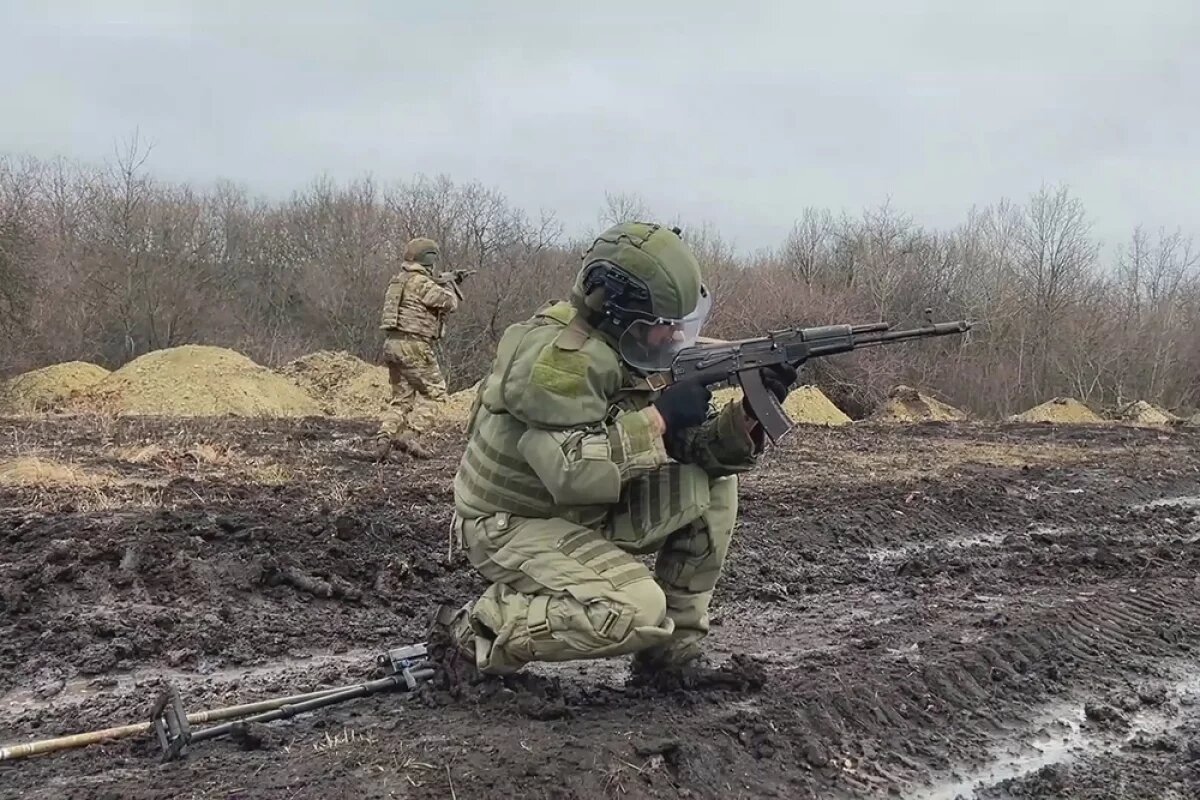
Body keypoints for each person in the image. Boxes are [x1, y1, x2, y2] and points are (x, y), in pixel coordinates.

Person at [430, 221, 796, 682]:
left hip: (579, 511)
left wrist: (748, 415)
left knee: (714, 483)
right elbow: (570, 472)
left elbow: (693, 450)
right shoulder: (557, 362)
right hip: (511, 525)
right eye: (664, 326)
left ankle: (670, 660)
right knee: (638, 609)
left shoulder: (626, 349)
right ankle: (473, 633)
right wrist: (660, 418)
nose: (675, 337)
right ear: (622, 313)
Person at [373, 236, 462, 461]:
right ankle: (410, 435)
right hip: (413, 345)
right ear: (429, 259)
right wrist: (449, 285)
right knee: (436, 393)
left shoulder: (398, 280)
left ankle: (384, 440)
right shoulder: (421, 282)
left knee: (401, 399)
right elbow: (450, 304)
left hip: (392, 344)